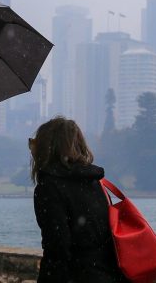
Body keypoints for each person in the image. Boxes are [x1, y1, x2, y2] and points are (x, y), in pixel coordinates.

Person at [30, 117, 128, 283]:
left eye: (34, 143)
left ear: (46, 148)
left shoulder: (49, 187)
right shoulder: (95, 182)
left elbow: (58, 248)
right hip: (109, 275)